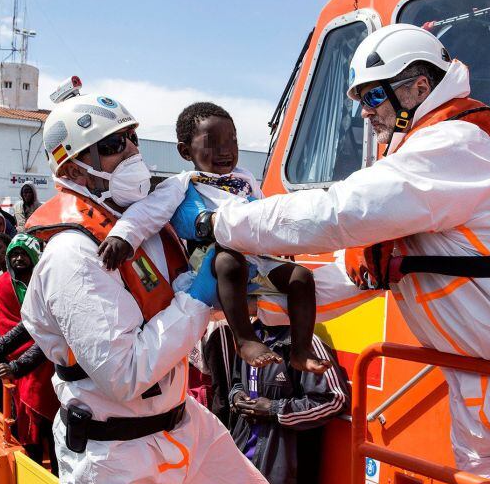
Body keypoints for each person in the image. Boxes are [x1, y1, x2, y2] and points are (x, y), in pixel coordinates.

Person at [172, 24, 490, 484]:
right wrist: (253, 302)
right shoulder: (420, 173)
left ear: (420, 87)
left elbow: (338, 212)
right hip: (477, 385)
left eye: (374, 96)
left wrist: (220, 223)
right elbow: (356, 278)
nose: (365, 112)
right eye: (360, 99)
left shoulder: (454, 147)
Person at [20, 92, 271, 484]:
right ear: (75, 169)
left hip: (184, 424)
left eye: (131, 137)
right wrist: (199, 294)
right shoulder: (74, 255)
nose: (133, 152)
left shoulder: (144, 225)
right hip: (116, 458)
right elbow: (124, 374)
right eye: (113, 145)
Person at [101, 102, 329, 374]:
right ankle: (245, 339)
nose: (226, 151)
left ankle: (300, 350)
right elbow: (148, 212)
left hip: (255, 260)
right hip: (213, 261)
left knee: (302, 278)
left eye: (232, 141)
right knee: (229, 263)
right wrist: (123, 236)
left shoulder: (245, 178)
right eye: (213, 142)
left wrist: (282, 242)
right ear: (186, 151)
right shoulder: (183, 183)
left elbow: (266, 208)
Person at [229, 322, 348, 484]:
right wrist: (236, 396)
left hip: (282, 472)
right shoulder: (247, 337)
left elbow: (335, 400)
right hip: (240, 458)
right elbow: (237, 382)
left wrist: (274, 409)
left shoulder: (306, 343)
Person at [0, 233, 59, 474]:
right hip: (23, 364)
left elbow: (49, 332)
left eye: (23, 253)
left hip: (53, 361)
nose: (18, 258)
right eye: (14, 254)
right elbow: (21, 325)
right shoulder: (4, 284)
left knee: (55, 427)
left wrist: (18, 366)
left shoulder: (48, 283)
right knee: (28, 424)